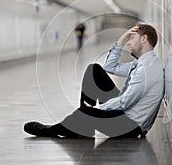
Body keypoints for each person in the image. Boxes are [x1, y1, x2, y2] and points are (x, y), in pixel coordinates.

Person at [24, 22, 164, 138]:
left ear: (144, 39)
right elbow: (110, 67)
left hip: (129, 127)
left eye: (132, 38)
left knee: (86, 111)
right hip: (124, 115)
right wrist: (121, 39)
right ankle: (84, 127)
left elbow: (124, 102)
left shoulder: (147, 70)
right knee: (94, 70)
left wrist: (94, 109)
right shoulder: (142, 63)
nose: (129, 43)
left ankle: (53, 131)